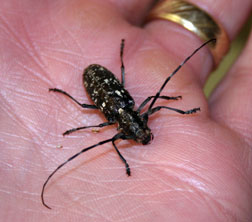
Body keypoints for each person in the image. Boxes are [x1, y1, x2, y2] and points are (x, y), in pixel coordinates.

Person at [0, 0, 251, 221]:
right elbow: (120, 133)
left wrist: (181, 108)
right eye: (140, 131)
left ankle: (180, 110)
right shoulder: (120, 117)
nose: (142, 132)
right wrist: (81, 129)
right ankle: (66, 96)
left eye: (139, 130)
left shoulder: (121, 116)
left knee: (155, 97)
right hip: (96, 79)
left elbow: (157, 100)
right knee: (88, 108)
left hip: (103, 85)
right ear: (134, 126)